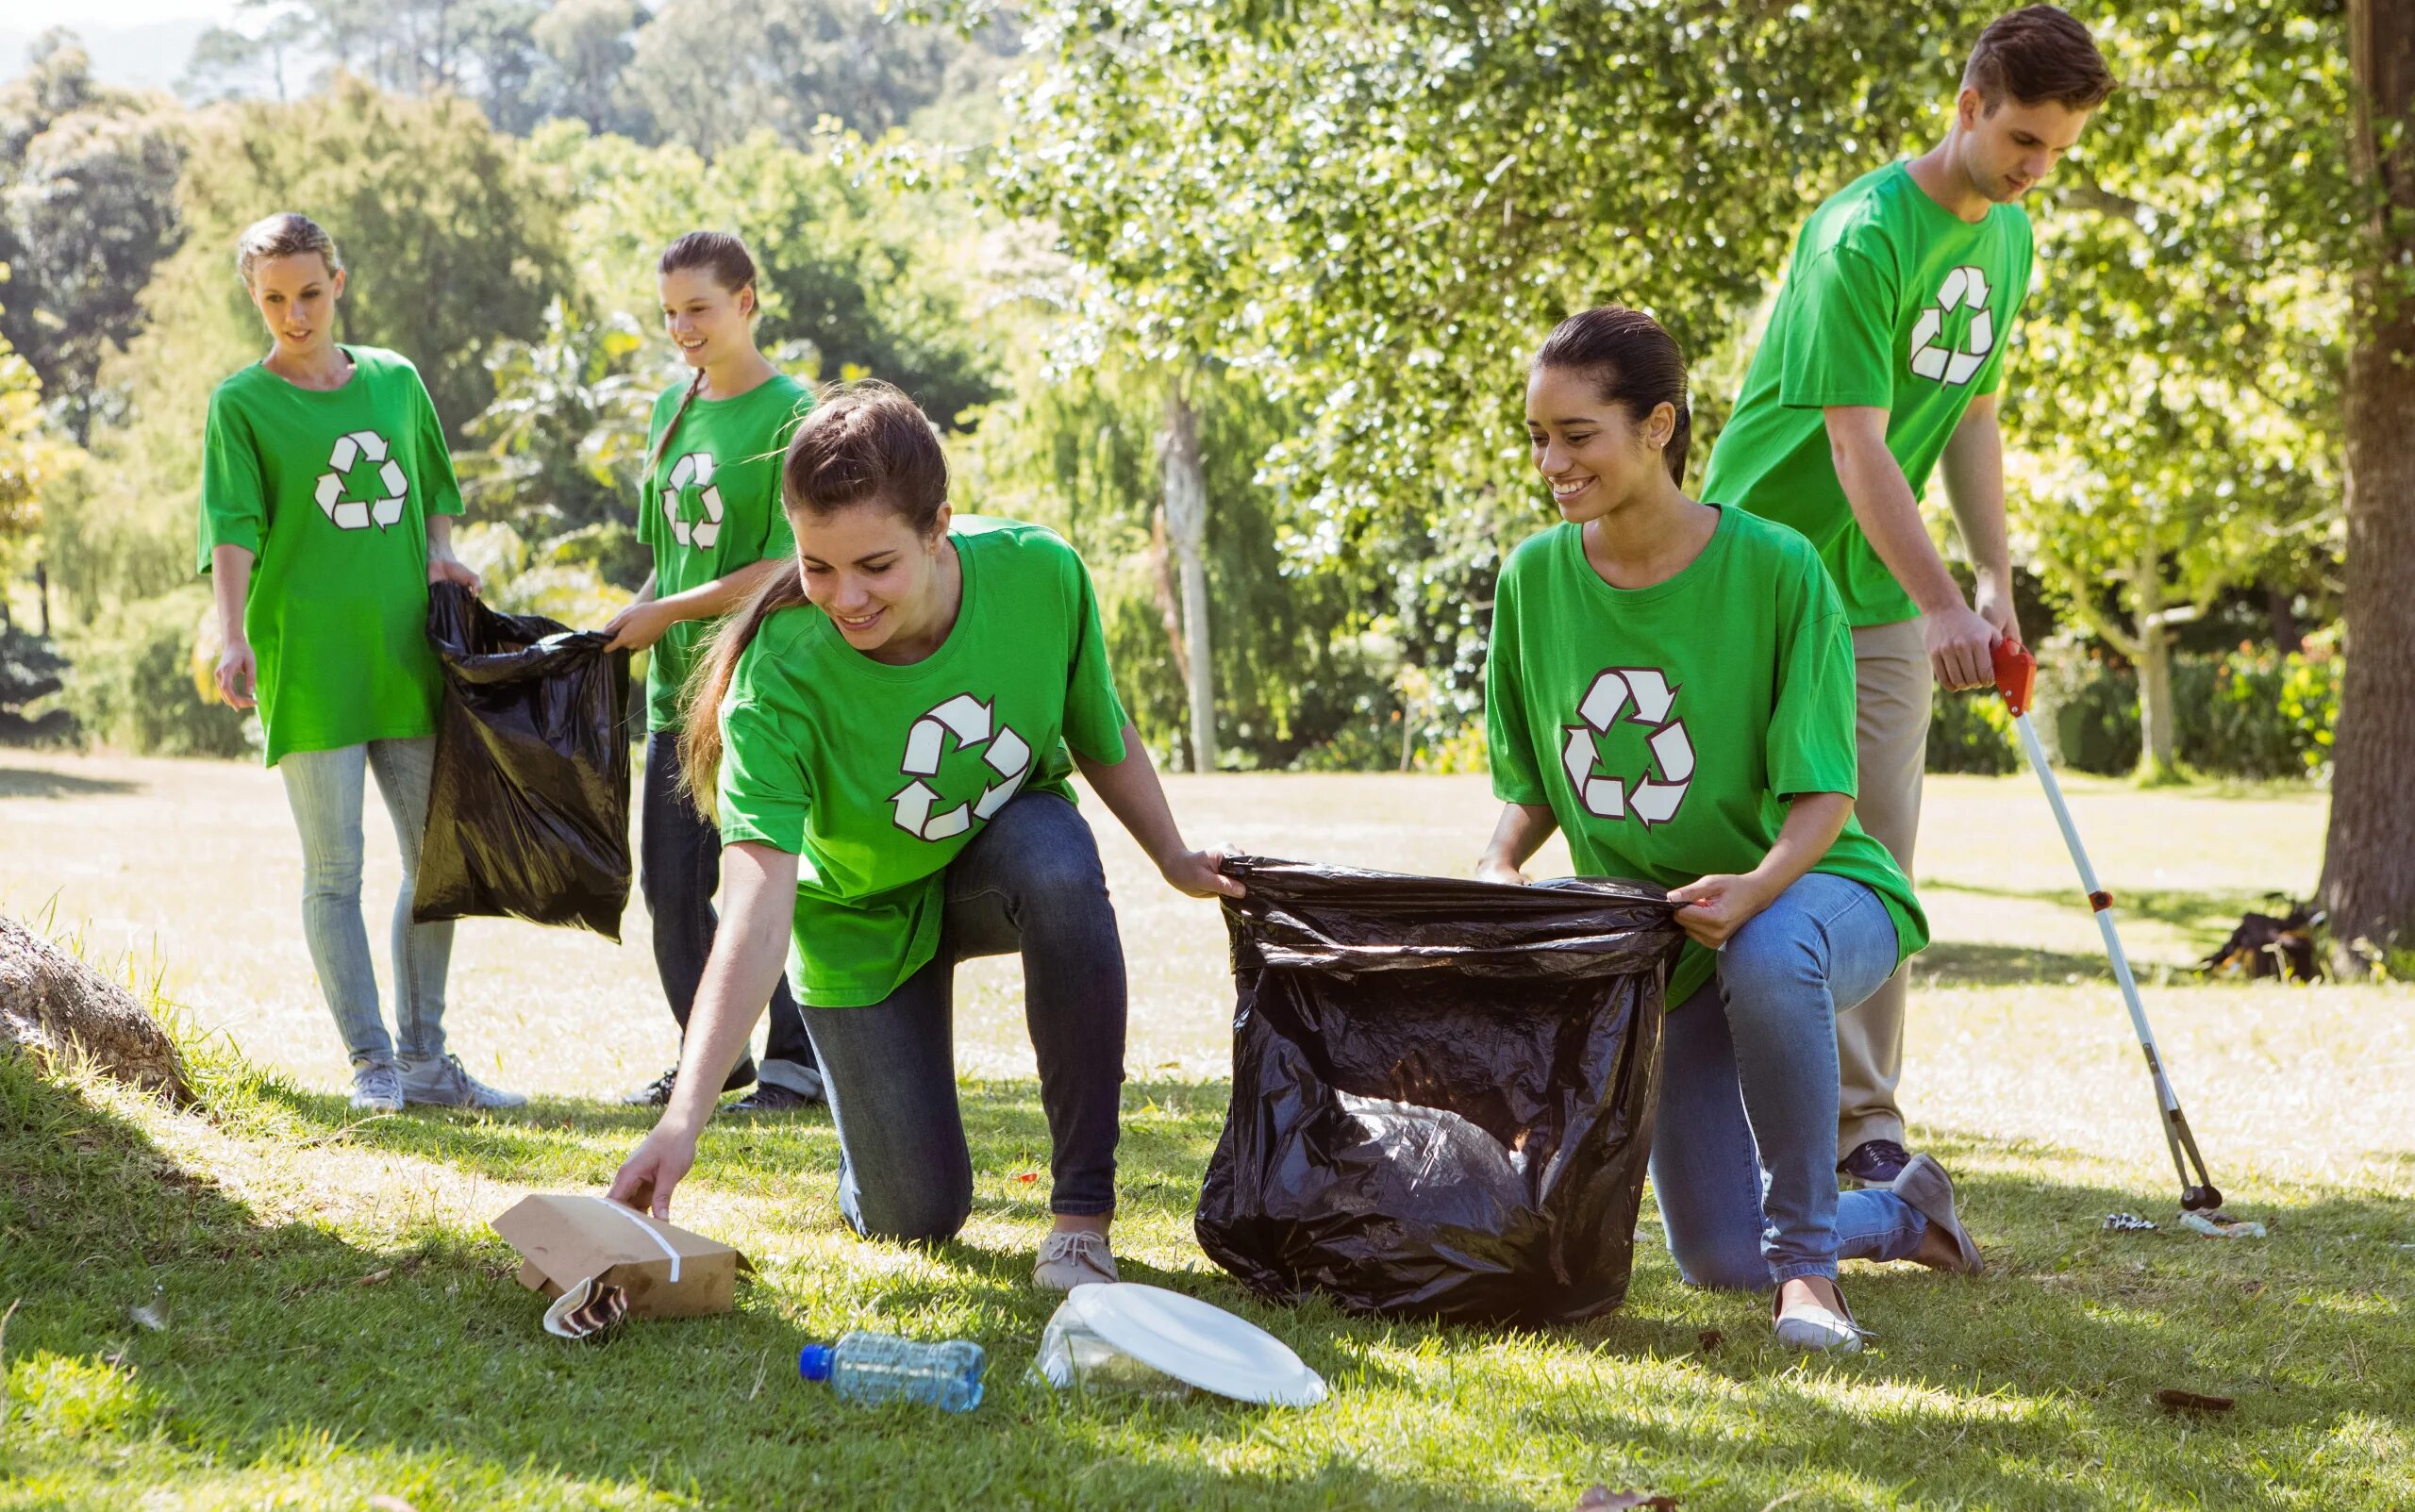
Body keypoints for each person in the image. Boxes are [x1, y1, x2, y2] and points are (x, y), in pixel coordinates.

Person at [607, 380, 1241, 1289]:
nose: (845, 597)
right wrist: (685, 1117)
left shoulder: (1040, 572)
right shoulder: (779, 675)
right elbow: (753, 905)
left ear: (937, 524)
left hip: (994, 862)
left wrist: (1175, 856)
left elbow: (1098, 726)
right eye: (817, 566)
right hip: (858, 919)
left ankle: (1079, 1218)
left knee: (1057, 859)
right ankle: (871, 1149)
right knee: (917, 1216)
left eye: (875, 565)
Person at [1478, 307, 1982, 1352]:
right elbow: (1532, 784)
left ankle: (1809, 1277)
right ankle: (1904, 1213)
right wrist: (1498, 860)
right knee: (1712, 1256)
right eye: (1537, 436)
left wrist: (1755, 887)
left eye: (1578, 435)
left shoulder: (1778, 567)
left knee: (1767, 949)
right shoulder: (1532, 580)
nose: (1551, 462)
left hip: (1818, 894)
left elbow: (1823, 799)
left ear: (1657, 426)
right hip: (1669, 941)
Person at [1699, 6, 2115, 1188]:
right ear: (1969, 104)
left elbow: (1972, 414)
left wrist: (1988, 578)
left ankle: (1861, 1135)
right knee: (1750, 841)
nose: (2037, 170)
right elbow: (1855, 448)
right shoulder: (1862, 235)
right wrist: (1940, 605)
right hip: (1764, 574)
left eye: (2058, 152)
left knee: (1873, 855)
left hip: (1883, 589)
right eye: (2024, 140)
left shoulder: (2009, 240)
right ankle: (1700, 1108)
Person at [199, 212, 524, 1113]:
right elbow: (231, 529)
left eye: (308, 292)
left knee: (437, 862)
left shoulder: (395, 381)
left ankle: (427, 1059)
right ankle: (371, 1062)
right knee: (334, 870)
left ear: (338, 283)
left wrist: (438, 553)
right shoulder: (242, 404)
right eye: (273, 299)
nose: (294, 314)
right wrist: (232, 634)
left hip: (406, 655)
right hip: (306, 661)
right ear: (254, 298)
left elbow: (434, 492)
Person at [599, 231, 825, 1116]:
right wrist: (633, 613)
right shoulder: (670, 408)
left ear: (747, 301)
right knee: (669, 890)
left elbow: (782, 568)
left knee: (762, 878)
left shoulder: (791, 415)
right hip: (672, 692)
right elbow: (674, 556)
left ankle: (796, 1064)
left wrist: (665, 614)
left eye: (699, 307)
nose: (682, 328)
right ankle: (713, 1056)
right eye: (669, 313)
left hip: (757, 688)